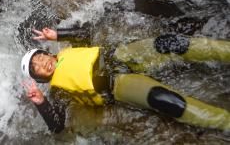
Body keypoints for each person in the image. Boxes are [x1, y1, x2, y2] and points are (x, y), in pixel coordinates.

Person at [21, 26, 230, 133]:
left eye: (40, 58)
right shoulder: (58, 92)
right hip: (118, 85)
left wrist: (58, 35)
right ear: (40, 79)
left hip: (122, 54)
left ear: (47, 53)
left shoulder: (67, 51)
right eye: (37, 69)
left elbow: (86, 32)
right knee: (165, 100)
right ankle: (224, 121)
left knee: (171, 43)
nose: (42, 64)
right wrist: (41, 103)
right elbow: (58, 126)